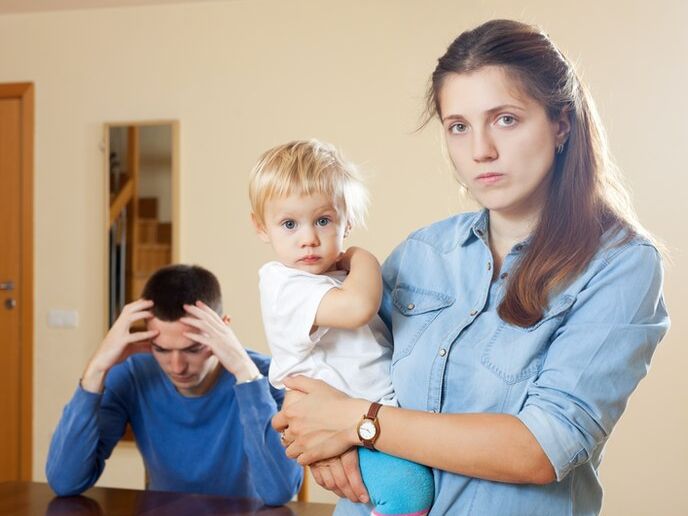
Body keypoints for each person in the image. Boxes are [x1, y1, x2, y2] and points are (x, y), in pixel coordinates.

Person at [271, 19, 670, 515]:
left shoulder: (620, 265)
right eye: (458, 126)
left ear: (561, 123)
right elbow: (331, 369)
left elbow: (544, 447)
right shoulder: (422, 252)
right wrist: (318, 440)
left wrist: (357, 422)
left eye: (505, 119)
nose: (480, 150)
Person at [249, 140, 434, 516]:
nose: (308, 239)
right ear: (261, 227)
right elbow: (357, 308)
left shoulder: (332, 280)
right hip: (345, 430)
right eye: (289, 224)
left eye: (323, 220)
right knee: (411, 493)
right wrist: (362, 257)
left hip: (370, 422)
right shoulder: (282, 283)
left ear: (346, 220)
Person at [46, 264, 302, 505]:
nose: (177, 366)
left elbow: (280, 490)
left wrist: (246, 375)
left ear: (222, 329)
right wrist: (97, 368)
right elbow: (66, 481)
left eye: (193, 349)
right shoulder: (133, 375)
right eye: (162, 349)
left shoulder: (267, 376)